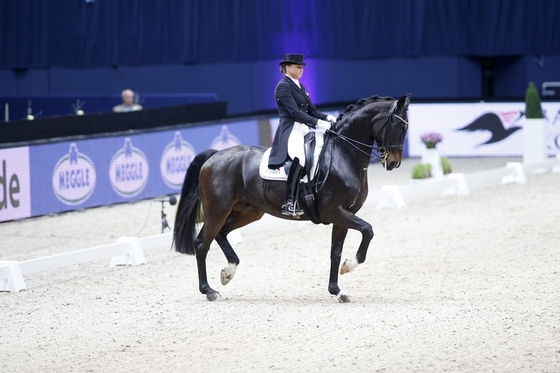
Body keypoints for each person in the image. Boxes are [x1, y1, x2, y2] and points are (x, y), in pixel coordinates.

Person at [268, 53, 337, 217]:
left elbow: (312, 110)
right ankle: (289, 201)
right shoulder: (283, 86)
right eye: (298, 67)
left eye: (302, 67)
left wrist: (327, 117)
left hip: (305, 129)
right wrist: (319, 123)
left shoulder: (300, 86)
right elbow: (294, 112)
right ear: (287, 67)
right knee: (301, 158)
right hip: (291, 129)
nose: (301, 70)